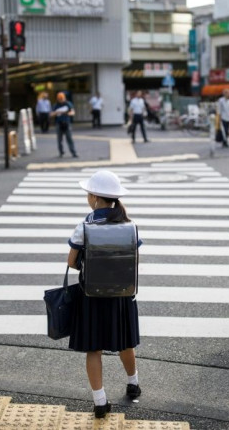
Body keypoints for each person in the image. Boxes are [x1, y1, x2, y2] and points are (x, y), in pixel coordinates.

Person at [66, 170, 142, 418]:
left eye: (89, 193)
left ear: (95, 198)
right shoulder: (129, 225)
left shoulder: (84, 226)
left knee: (93, 348)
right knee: (125, 342)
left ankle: (100, 401)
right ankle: (133, 383)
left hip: (92, 295)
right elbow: (135, 260)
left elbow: (71, 262)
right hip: (121, 295)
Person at [53, 92, 78, 158]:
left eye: (62, 99)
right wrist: (57, 112)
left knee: (69, 139)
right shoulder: (56, 105)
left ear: (64, 98)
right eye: (59, 99)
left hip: (66, 123)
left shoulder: (68, 104)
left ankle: (73, 152)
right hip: (59, 124)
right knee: (59, 140)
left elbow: (72, 112)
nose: (61, 100)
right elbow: (51, 114)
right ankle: (61, 152)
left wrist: (66, 113)